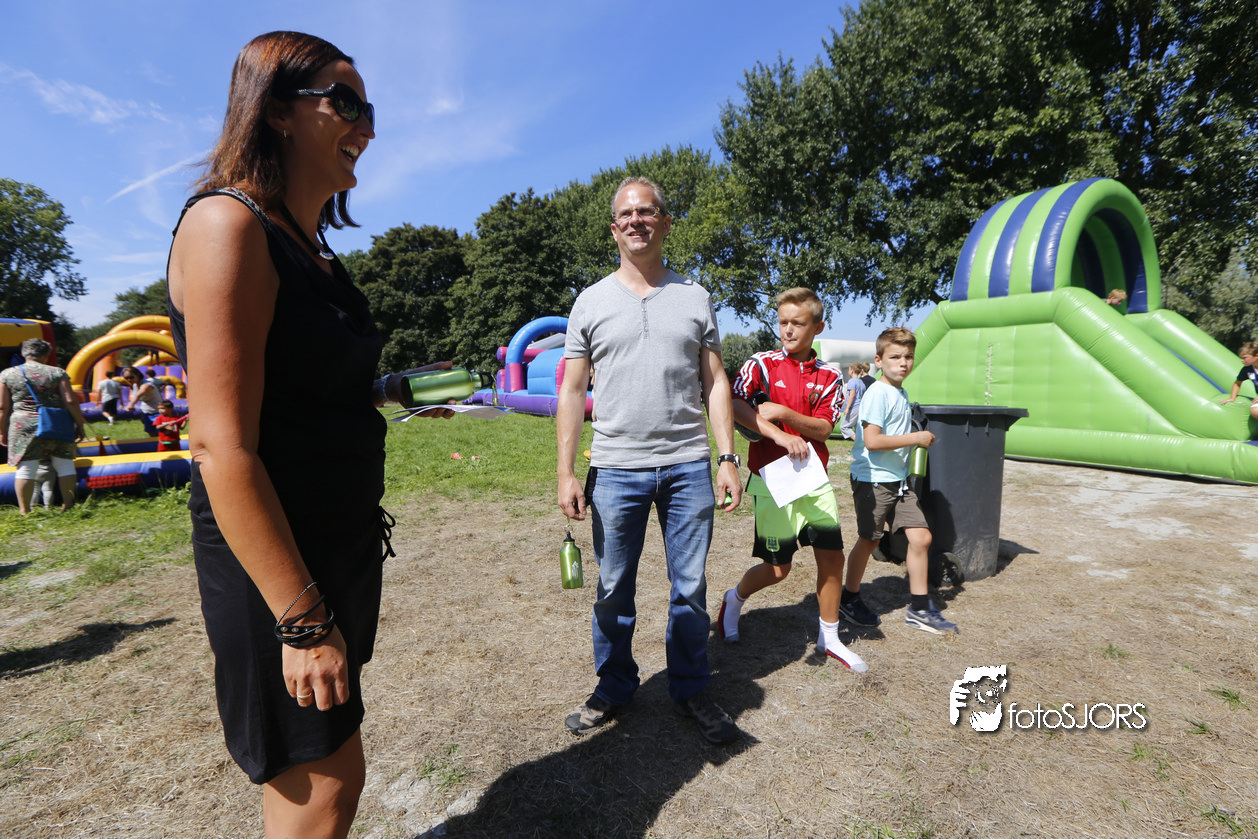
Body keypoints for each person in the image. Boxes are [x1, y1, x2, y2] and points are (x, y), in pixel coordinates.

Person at [165, 31, 450, 839]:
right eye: (346, 102)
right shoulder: (227, 225)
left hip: (334, 548)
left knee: (328, 767)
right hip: (276, 563)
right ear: (278, 111)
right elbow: (221, 445)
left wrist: (391, 390)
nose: (367, 126)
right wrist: (301, 620)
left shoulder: (313, 249)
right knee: (323, 783)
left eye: (371, 109)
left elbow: (297, 391)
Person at [557, 176, 743, 745]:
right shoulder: (590, 302)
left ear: (664, 222)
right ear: (614, 229)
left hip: (688, 465)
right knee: (613, 588)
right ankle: (614, 685)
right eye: (626, 214)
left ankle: (690, 687)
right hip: (615, 468)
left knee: (689, 588)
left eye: (647, 211)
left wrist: (727, 457)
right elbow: (572, 390)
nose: (636, 220)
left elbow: (715, 382)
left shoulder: (695, 297)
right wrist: (565, 471)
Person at [717, 288, 867, 672]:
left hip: (814, 481)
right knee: (778, 570)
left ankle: (829, 638)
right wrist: (779, 435)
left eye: (797, 323)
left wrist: (784, 413)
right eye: (783, 322)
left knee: (832, 558)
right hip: (773, 482)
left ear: (817, 327)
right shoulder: (761, 364)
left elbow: (824, 428)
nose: (787, 330)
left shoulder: (830, 375)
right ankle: (734, 598)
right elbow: (733, 404)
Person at [841, 327, 957, 635]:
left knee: (921, 538)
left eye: (908, 356)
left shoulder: (899, 393)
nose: (903, 363)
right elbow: (873, 441)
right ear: (879, 361)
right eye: (895, 357)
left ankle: (919, 609)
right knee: (869, 540)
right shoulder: (878, 393)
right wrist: (915, 438)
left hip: (898, 481)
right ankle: (848, 599)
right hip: (873, 481)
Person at [0, 338, 88, 513]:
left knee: (26, 468)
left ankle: (25, 511)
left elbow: (3, 407)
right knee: (64, 464)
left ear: (24, 354)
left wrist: (2, 431)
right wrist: (79, 425)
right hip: (57, 422)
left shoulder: (7, 374)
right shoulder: (57, 372)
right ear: (46, 355)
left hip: (23, 424)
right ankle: (68, 506)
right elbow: (70, 401)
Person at [1218, 341, 1258, 422]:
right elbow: (1237, 383)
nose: (1242, 360)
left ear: (1256, 356)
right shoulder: (1248, 369)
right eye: (1241, 358)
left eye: (1245, 357)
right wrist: (1232, 398)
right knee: (1254, 411)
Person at [121, 366, 161, 436]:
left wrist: (130, 405)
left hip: (158, 413)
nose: (129, 379)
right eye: (126, 378)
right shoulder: (135, 385)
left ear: (138, 374)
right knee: (152, 434)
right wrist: (143, 415)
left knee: (163, 435)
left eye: (131, 377)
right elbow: (143, 400)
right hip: (147, 412)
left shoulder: (147, 385)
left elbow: (138, 395)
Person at [838, 361, 870, 440]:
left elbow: (852, 394)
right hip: (860, 407)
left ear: (852, 371)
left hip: (854, 406)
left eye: (849, 370)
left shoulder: (852, 381)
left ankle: (858, 441)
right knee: (857, 427)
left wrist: (847, 408)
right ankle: (862, 442)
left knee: (844, 427)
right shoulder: (861, 382)